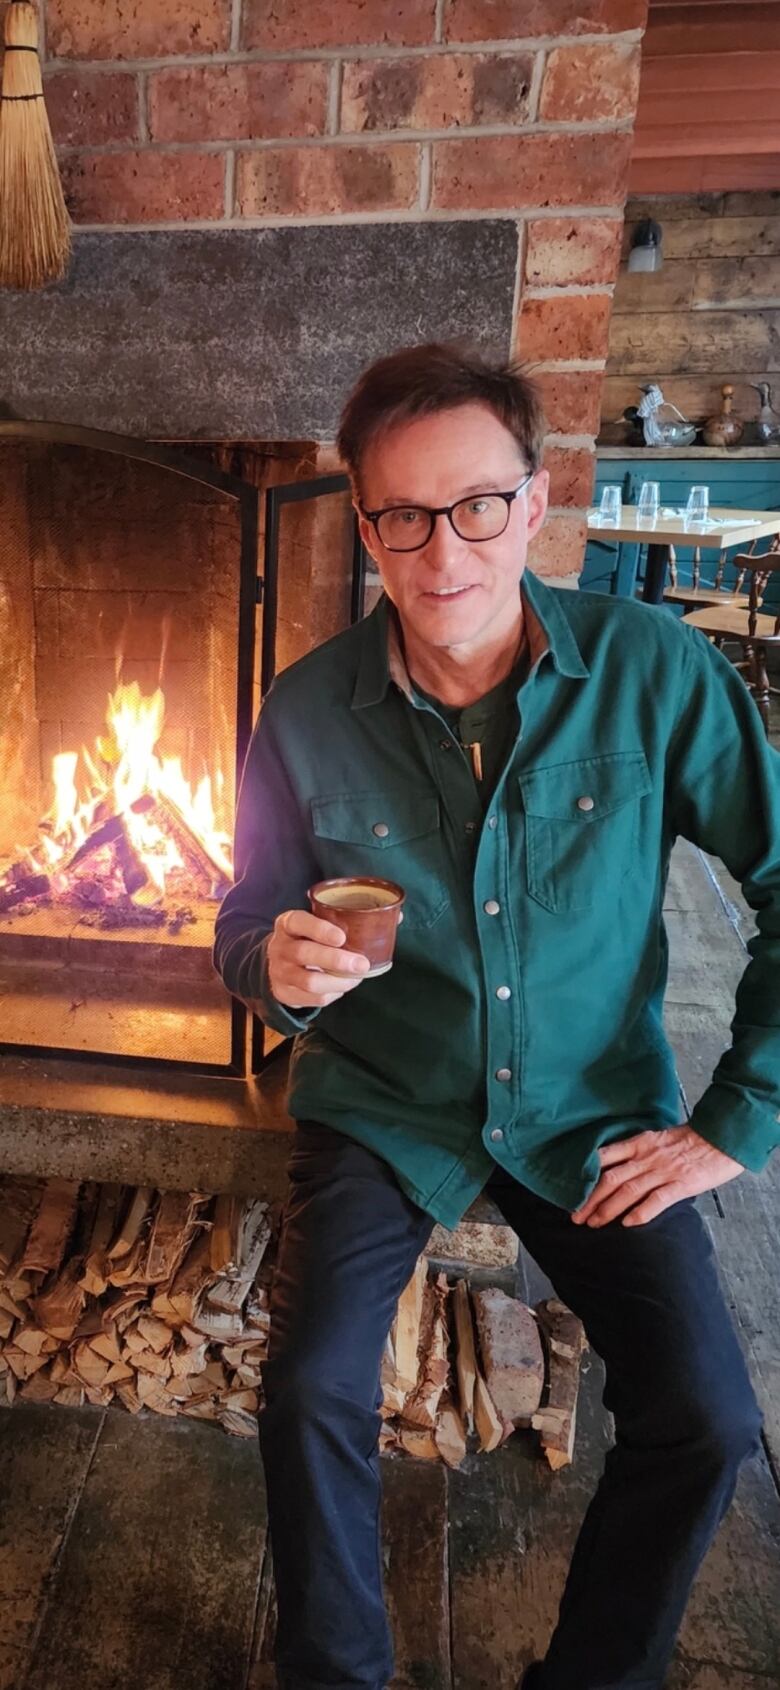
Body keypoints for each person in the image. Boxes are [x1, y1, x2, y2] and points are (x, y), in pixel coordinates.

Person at [214, 343, 779, 1690]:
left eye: (475, 506)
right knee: (306, 1392)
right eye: (402, 515)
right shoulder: (302, 710)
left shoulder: (652, 674)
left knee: (705, 1417)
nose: (441, 551)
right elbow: (243, 921)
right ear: (367, 527)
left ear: (535, 502)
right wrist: (273, 969)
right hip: (385, 1103)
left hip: (589, 1103)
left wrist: (739, 1122)